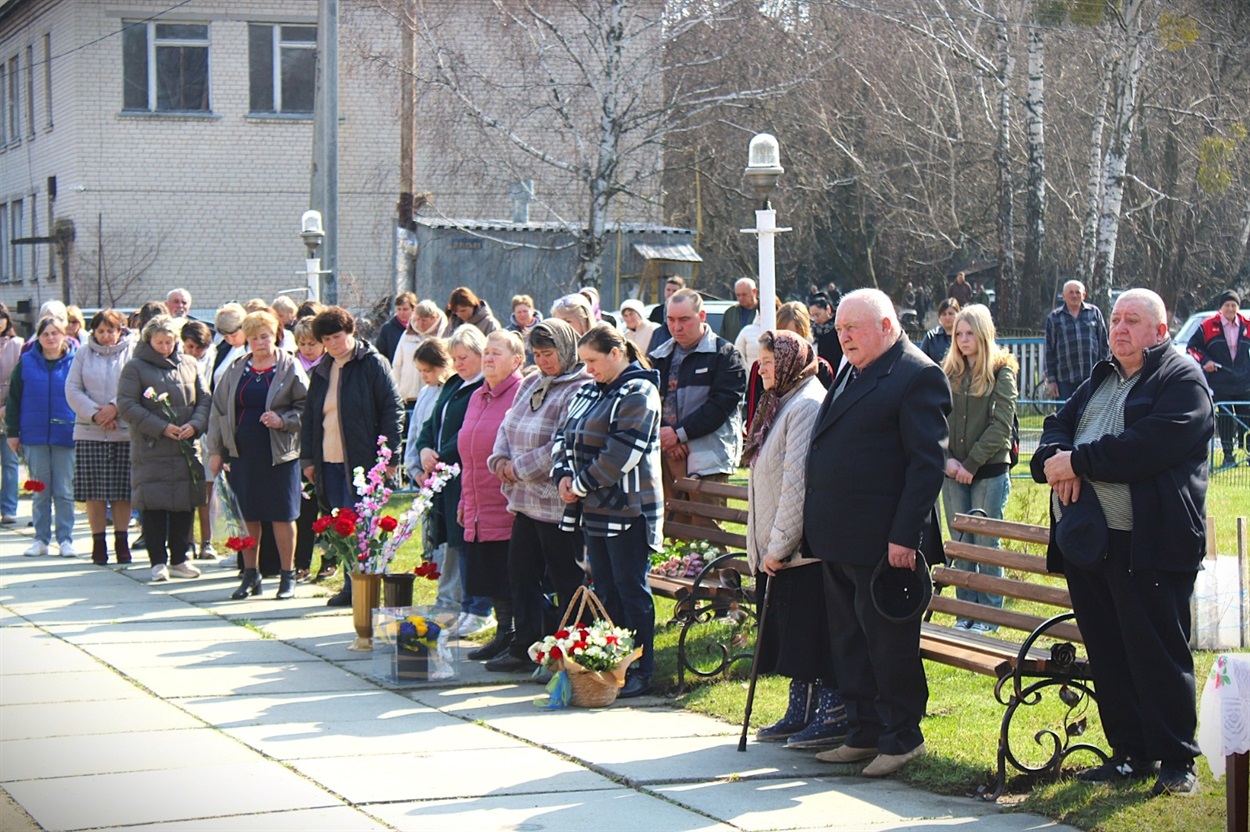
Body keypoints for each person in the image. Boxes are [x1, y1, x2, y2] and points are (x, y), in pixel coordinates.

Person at [1031, 289, 1212, 797]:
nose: (1120, 328)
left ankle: (1177, 760)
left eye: (1133, 320)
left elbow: (1149, 447)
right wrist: (1056, 459)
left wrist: (1078, 463)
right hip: (1091, 543)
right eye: (1115, 319)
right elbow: (1054, 429)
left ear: (1160, 330)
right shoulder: (1100, 376)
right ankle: (1130, 754)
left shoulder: (1181, 379)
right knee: (1110, 654)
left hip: (1151, 544)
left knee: (1157, 653)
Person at [805, 288, 950, 777]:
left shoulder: (916, 374)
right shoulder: (853, 367)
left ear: (887, 325)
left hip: (885, 543)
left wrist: (906, 536)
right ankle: (864, 731)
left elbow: (926, 465)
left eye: (853, 328)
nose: (842, 337)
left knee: (888, 643)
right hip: (840, 536)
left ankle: (902, 737)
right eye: (839, 329)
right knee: (849, 640)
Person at [744, 329, 847, 748]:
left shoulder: (805, 404)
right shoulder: (779, 401)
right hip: (775, 544)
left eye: (768, 362)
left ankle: (831, 709)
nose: (761, 369)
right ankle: (800, 707)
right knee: (792, 635)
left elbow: (796, 484)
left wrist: (779, 545)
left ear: (788, 361)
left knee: (809, 633)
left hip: (797, 549)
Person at [553, 324, 664, 698]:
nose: (588, 369)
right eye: (583, 362)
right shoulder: (587, 391)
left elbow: (623, 452)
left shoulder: (639, 390)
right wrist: (563, 477)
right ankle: (611, 665)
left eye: (593, 361)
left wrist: (580, 484)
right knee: (605, 591)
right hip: (592, 509)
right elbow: (561, 436)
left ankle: (640, 669)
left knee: (630, 589)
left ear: (617, 354)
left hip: (629, 509)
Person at [486, 319, 593, 672]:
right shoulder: (532, 381)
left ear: (565, 349)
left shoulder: (581, 385)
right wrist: (499, 458)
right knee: (520, 573)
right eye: (537, 354)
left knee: (565, 577)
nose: (543, 361)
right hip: (524, 502)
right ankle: (525, 645)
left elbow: (560, 442)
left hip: (555, 501)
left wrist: (520, 468)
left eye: (548, 354)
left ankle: (569, 650)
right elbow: (508, 424)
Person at [301, 306, 404, 605]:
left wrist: (389, 457)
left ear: (351, 332)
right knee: (340, 525)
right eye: (327, 339)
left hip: (363, 461)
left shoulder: (371, 363)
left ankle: (362, 588)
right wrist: (308, 460)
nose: (333, 343)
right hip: (328, 460)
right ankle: (351, 584)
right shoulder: (322, 369)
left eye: (337, 336)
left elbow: (392, 409)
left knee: (361, 524)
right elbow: (310, 418)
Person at [207, 310, 308, 601]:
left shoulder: (290, 367)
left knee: (282, 515)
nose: (259, 342)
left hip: (279, 454)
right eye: (253, 338)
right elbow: (219, 412)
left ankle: (287, 577)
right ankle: (251, 574)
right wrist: (216, 451)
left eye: (264, 336)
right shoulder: (237, 368)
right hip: (243, 453)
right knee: (246, 515)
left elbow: (307, 408)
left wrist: (283, 420)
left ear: (275, 333)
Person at [940, 304, 1017, 630]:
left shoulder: (1002, 371)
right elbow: (935, 419)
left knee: (986, 544)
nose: (963, 339)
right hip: (953, 471)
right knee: (961, 543)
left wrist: (970, 464)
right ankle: (965, 613)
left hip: (988, 472)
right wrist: (947, 460)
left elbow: (1002, 426)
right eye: (958, 334)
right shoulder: (949, 372)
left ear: (983, 334)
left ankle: (989, 615)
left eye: (970, 333)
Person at [116, 315, 210, 582]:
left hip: (185, 445)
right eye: (160, 342)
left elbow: (204, 399)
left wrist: (195, 424)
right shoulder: (135, 368)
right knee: (154, 504)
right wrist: (161, 427)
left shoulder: (189, 364)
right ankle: (157, 560)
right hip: (153, 446)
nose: (166, 347)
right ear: (149, 341)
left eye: (170, 341)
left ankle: (180, 557)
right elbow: (127, 404)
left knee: (184, 503)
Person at [413, 326, 492, 634]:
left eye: (464, 357)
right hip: (441, 473)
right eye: (454, 358)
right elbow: (433, 423)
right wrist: (424, 451)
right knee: (451, 540)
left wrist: (440, 456)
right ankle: (454, 601)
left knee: (465, 540)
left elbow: (468, 432)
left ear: (480, 354)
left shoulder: (483, 387)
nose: (458, 364)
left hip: (462, 474)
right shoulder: (454, 384)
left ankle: (473, 606)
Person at [648, 288, 746, 528]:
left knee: (708, 535)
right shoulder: (658, 357)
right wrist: (665, 435)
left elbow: (720, 406)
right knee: (672, 536)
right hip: (665, 455)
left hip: (707, 458)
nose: (676, 327)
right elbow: (648, 403)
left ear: (702, 316)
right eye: (670, 320)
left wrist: (679, 433)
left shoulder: (726, 354)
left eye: (684, 320)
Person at [457, 330, 525, 660]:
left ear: (517, 360)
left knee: (509, 573)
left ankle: (517, 637)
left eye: (496, 352)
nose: (488, 358)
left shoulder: (520, 394)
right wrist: (463, 500)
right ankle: (503, 632)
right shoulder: (476, 395)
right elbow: (468, 452)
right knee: (491, 573)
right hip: (477, 500)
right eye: (486, 352)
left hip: (506, 501)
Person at [66, 309, 136, 566]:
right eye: (101, 331)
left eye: (111, 330)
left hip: (123, 429)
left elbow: (135, 386)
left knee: (122, 491)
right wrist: (96, 415)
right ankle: (98, 543)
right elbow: (72, 389)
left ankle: (121, 540)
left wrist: (114, 407)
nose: (106, 336)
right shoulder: (84, 353)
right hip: (89, 430)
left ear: (121, 331)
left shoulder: (132, 352)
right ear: (93, 332)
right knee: (94, 491)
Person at [6, 317, 78, 557]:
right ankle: (41, 539)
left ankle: (66, 539)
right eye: (45, 334)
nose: (50, 338)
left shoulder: (74, 362)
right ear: (39, 337)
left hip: (65, 435)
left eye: (55, 333)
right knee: (39, 489)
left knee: (64, 490)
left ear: (63, 335)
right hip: (34, 436)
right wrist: (12, 433)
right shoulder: (26, 363)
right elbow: (14, 400)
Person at [403, 338, 457, 609]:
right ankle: (442, 592)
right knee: (432, 536)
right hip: (425, 473)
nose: (424, 377)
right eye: (420, 371)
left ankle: (449, 596)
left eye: (428, 370)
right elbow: (416, 433)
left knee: (445, 538)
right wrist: (414, 469)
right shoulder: (425, 393)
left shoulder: (450, 389)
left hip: (445, 473)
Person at [1186, 290, 1249, 469]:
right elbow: (1192, 347)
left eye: (1234, 305)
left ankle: (1248, 454)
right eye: (1227, 305)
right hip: (1220, 382)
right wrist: (1206, 361)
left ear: (1238, 307)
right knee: (1225, 420)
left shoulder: (1247, 325)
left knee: (1247, 418)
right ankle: (1229, 457)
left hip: (1245, 382)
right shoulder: (1207, 326)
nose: (1230, 309)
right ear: (1221, 308)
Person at [291, 316, 328, 582]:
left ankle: (329, 559)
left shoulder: (329, 366)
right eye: (302, 343)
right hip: (297, 445)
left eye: (313, 343)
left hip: (325, 443)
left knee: (327, 508)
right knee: (304, 510)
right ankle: (300, 562)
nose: (308, 349)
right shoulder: (291, 366)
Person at [180, 320, 217, 561]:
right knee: (186, 490)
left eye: (199, 348)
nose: (194, 352)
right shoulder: (177, 362)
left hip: (210, 430)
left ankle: (207, 540)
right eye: (190, 347)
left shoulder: (214, 362)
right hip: (184, 428)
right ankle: (187, 540)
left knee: (207, 490)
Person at [1044, 280, 1109, 400]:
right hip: (1065, 379)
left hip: (1092, 376)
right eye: (1071, 292)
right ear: (1063, 296)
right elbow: (1049, 351)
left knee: (1092, 415)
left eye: (1078, 292)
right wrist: (1052, 380)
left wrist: (1104, 371)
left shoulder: (1094, 313)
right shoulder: (1054, 318)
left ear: (1084, 295)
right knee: (1066, 417)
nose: (1074, 295)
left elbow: (1104, 344)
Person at [391, 299, 446, 411]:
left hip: (432, 394)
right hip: (408, 396)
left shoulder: (443, 334)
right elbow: (397, 364)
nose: (420, 324)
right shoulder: (407, 334)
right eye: (417, 319)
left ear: (434, 318)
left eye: (424, 320)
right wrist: (395, 392)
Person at [0, 304, 23, 525]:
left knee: (9, 462)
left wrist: (9, 407)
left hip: (10, 410)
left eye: (1, 318)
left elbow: (20, 379)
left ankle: (8, 507)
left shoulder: (17, 344)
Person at [211, 303, 249, 391]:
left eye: (234, 335)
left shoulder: (254, 350)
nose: (230, 341)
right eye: (225, 337)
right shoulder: (223, 349)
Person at [374, 291, 417, 367]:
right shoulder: (388, 329)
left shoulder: (419, 328)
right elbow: (380, 355)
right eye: (399, 309)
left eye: (405, 309)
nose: (401, 313)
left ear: (414, 309)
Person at [919, 298, 959, 365]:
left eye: (951, 314)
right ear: (939, 317)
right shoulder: (931, 337)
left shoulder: (964, 336)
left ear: (958, 314)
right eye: (944, 314)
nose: (947, 317)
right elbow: (920, 361)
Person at [719, 277, 759, 344]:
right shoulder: (730, 314)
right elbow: (722, 340)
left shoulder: (764, 312)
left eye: (744, 295)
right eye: (738, 295)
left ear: (754, 292)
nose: (741, 298)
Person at [808, 294, 842, 370]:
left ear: (828, 309)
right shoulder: (814, 331)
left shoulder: (838, 327)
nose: (815, 319)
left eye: (818, 315)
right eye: (812, 316)